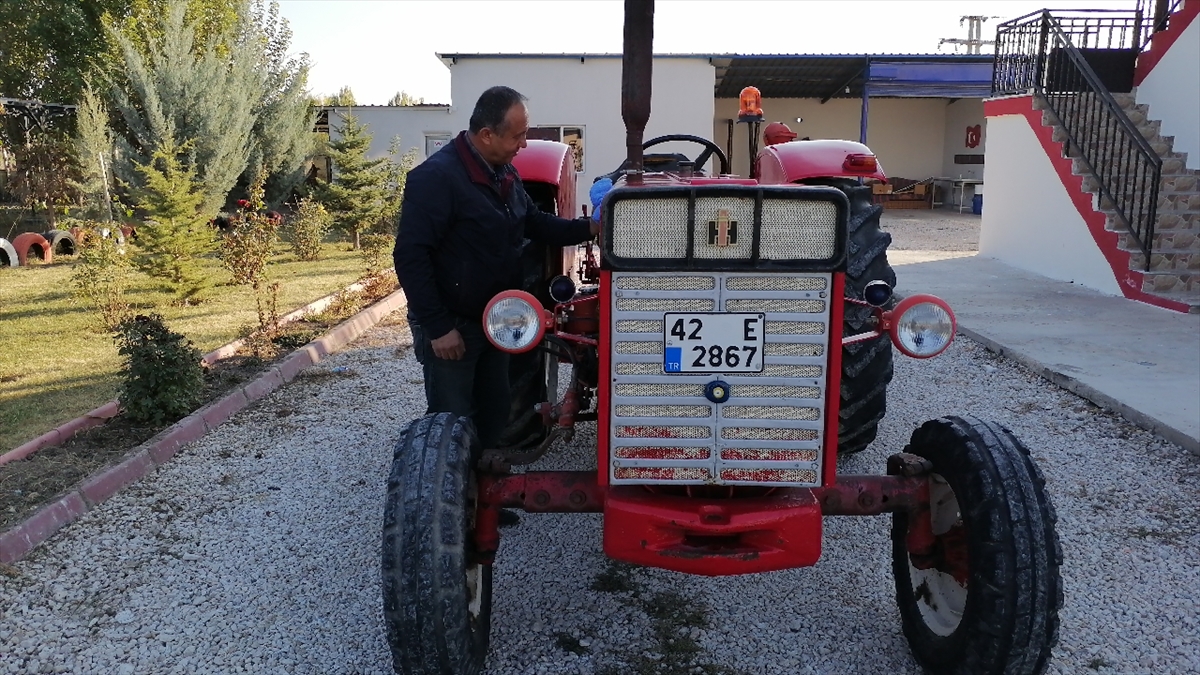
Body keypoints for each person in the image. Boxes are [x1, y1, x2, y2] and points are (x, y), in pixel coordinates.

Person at [394, 86, 599, 455]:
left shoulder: (503, 172)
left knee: (493, 413)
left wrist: (589, 229)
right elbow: (410, 257)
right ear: (487, 134)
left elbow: (533, 222)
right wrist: (439, 328)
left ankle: (481, 503)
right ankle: (451, 508)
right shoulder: (436, 179)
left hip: (495, 321)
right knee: (452, 423)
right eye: (518, 135)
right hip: (454, 326)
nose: (524, 143)